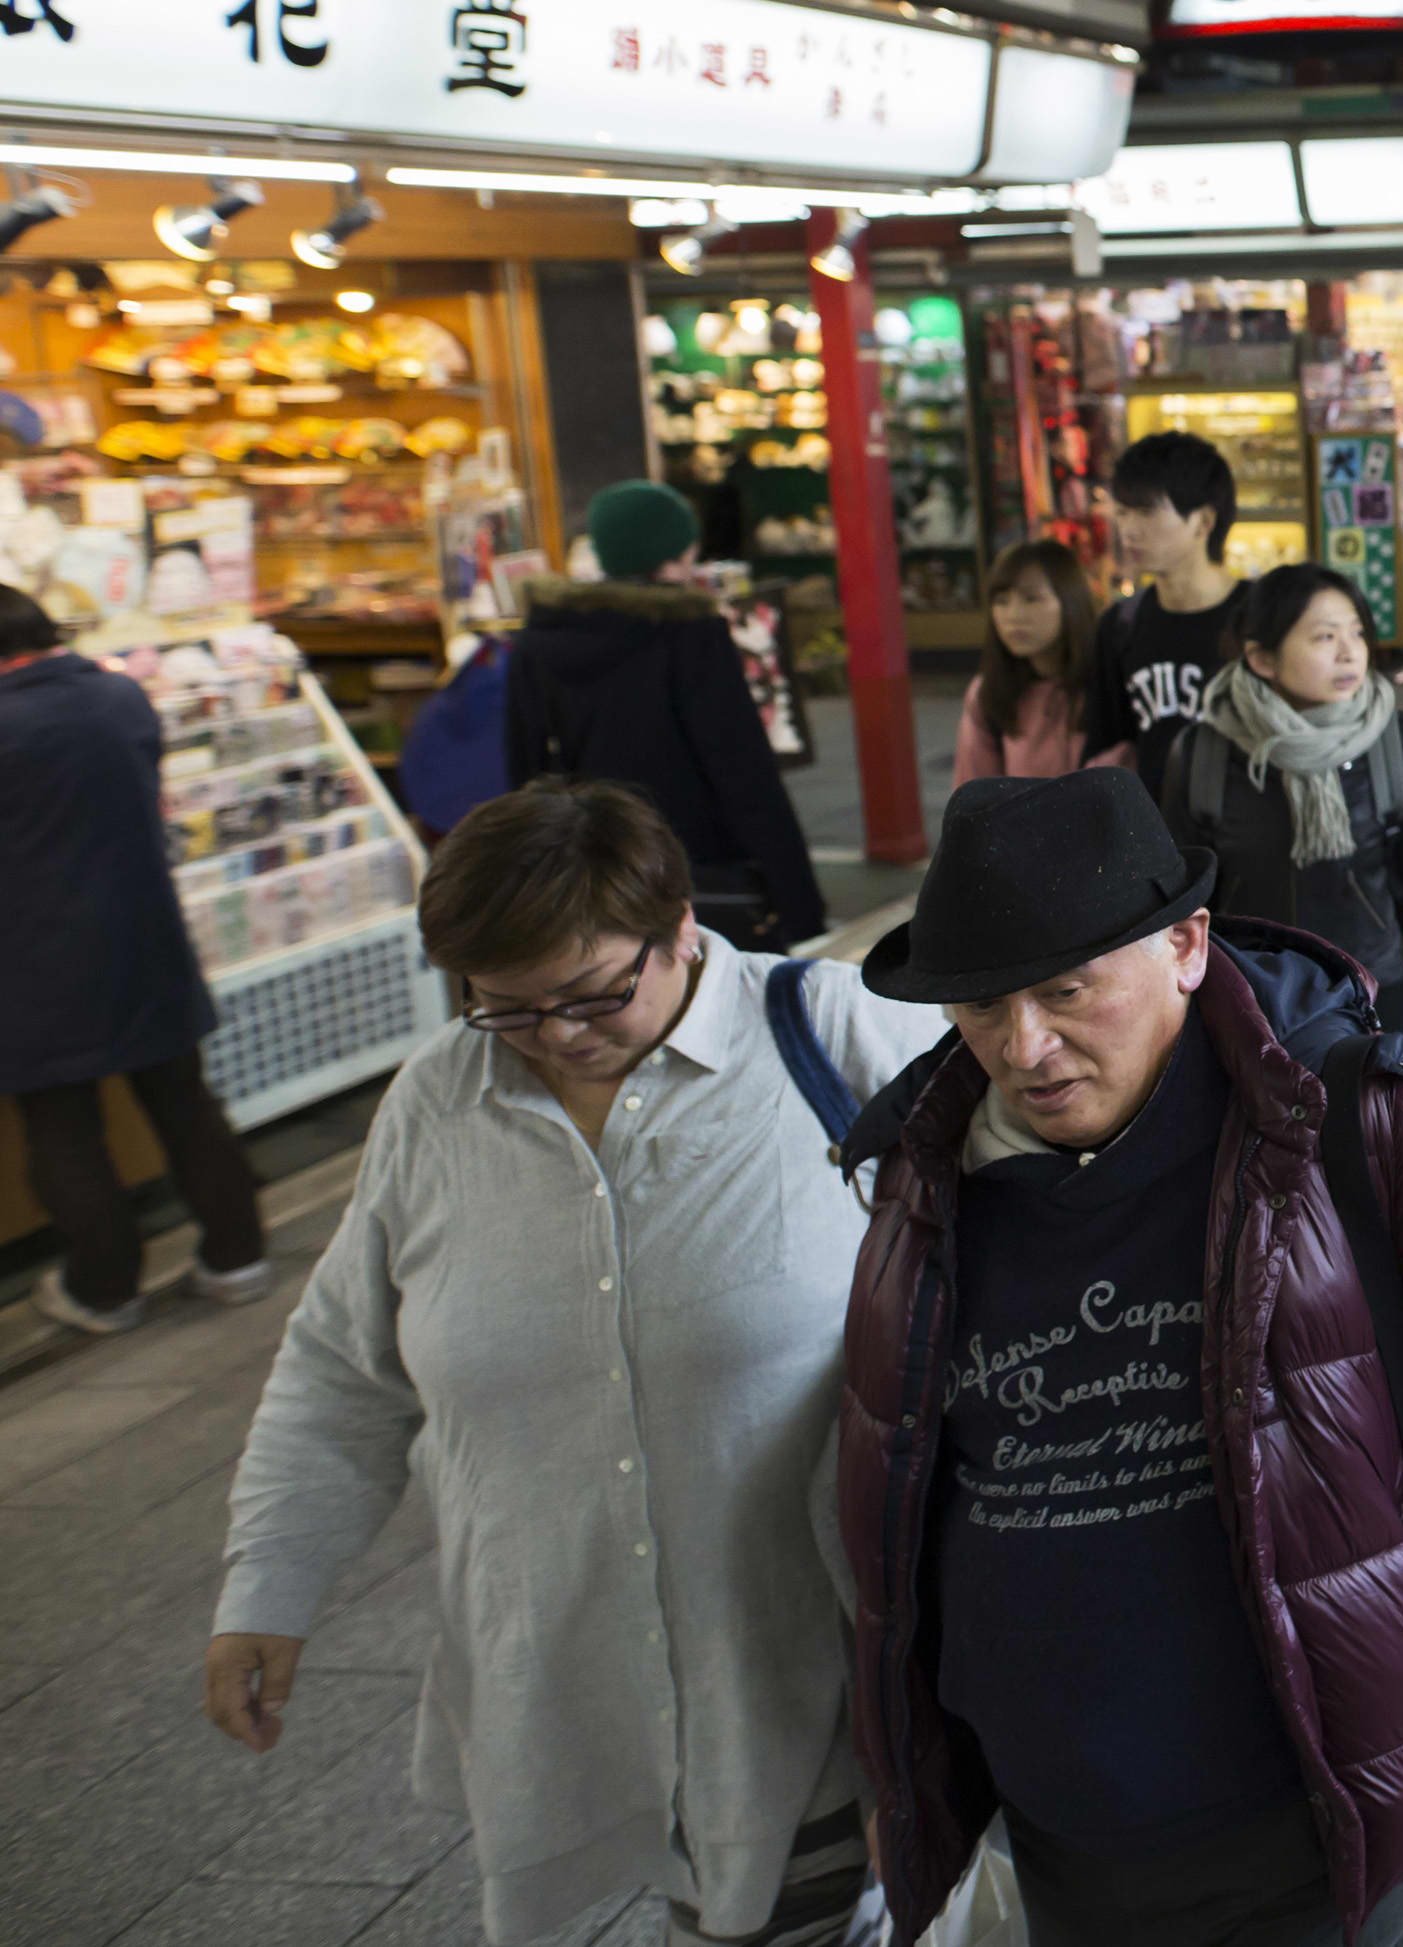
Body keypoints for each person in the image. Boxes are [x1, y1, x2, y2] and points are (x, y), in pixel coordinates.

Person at [835, 769, 1403, 1947]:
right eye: (981, 1008)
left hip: (1294, 1810)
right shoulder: (925, 1169)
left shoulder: (1369, 1115)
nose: (1023, 1048)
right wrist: (903, 1762)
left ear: (1186, 945)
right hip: (1056, 1818)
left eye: (1065, 990)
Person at [207, 779, 930, 1947]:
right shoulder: (438, 1099)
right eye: (508, 1007)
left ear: (683, 924)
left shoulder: (837, 1032)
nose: (557, 1035)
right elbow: (342, 1368)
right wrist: (267, 1589)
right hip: (563, 1673)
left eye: (594, 994)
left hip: (806, 1677)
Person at [1, 584, 266, 1334]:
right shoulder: (121, 697)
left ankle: (105, 1287)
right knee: (184, 1101)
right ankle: (238, 1255)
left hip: (31, 955)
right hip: (145, 936)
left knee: (62, 1124)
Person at [506, 477, 826, 949]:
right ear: (674, 554)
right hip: (697, 868)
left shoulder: (539, 639)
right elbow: (742, 772)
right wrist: (800, 904)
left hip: (596, 865)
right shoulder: (689, 633)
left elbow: (525, 768)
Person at [1165, 565, 1403, 1051]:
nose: (1350, 653)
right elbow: (1181, 912)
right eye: (1325, 637)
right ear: (1262, 659)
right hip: (1252, 1013)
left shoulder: (1393, 743)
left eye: (1357, 633)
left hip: (1379, 1009)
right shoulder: (1204, 755)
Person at [1082, 429, 1250, 797]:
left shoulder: (1261, 616)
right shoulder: (1120, 625)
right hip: (1156, 838)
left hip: (1247, 836)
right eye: (1122, 512)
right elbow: (1106, 747)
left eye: (1146, 511)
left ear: (1203, 522)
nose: (1128, 530)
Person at [956, 538, 1096, 783]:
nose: (1014, 616)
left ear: (1070, 601)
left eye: (1031, 599)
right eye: (1001, 601)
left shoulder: (1107, 683)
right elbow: (974, 795)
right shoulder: (988, 692)